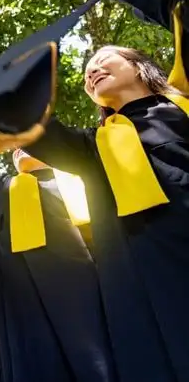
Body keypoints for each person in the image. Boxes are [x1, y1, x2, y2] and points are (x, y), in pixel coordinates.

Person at [0, 29, 116, 382]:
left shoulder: (84, 176)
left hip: (88, 300)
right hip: (24, 312)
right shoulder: (3, 190)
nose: (20, 149)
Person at [18, 44, 189, 382]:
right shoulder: (92, 148)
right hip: (137, 289)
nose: (91, 71)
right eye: (86, 73)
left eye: (101, 59)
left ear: (139, 66)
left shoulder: (181, 109)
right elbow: (31, 126)